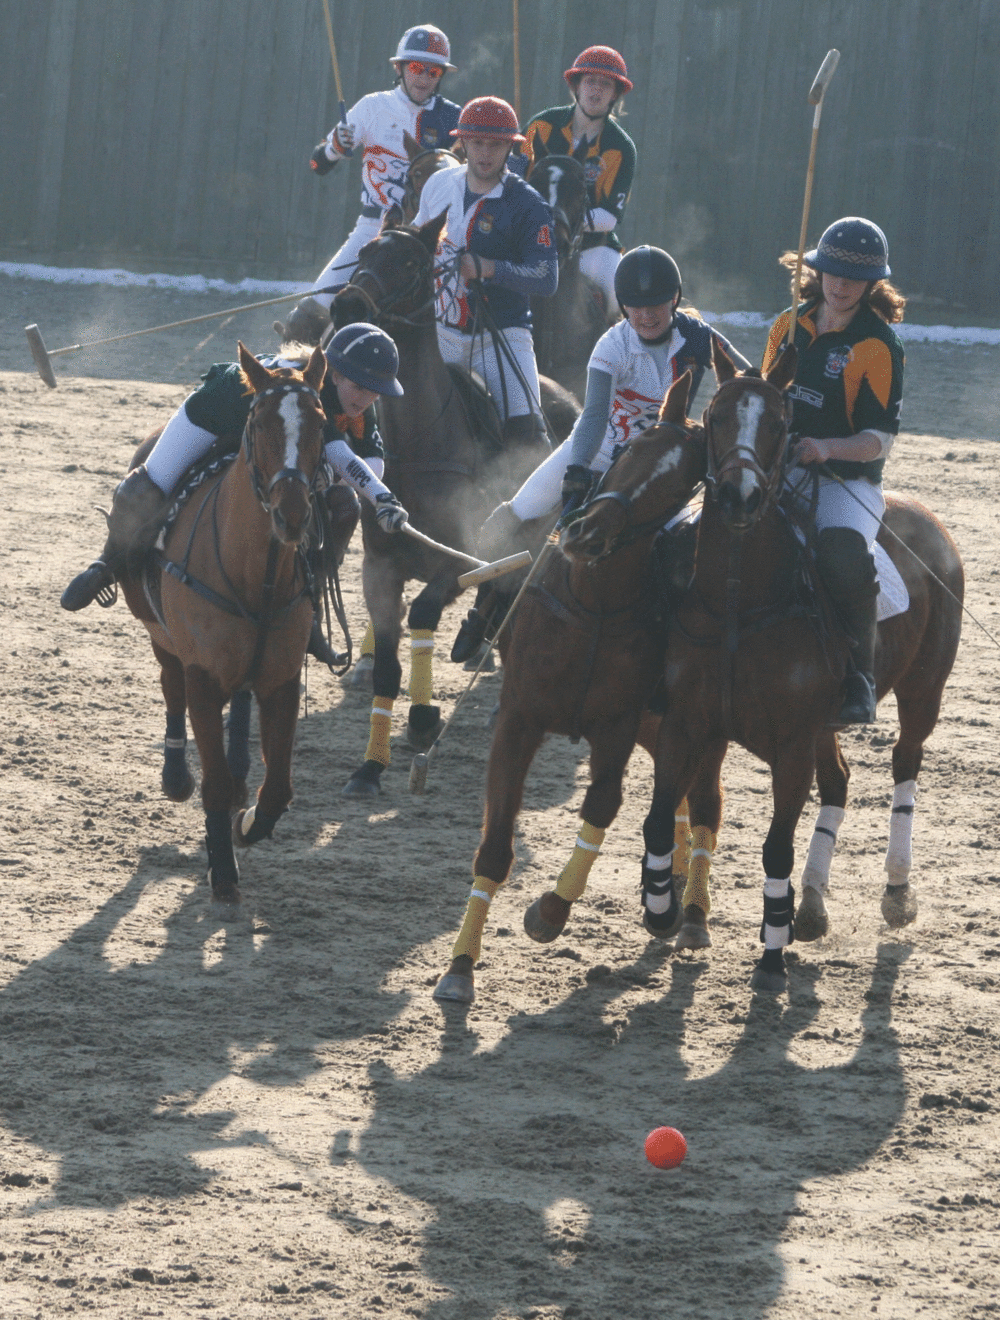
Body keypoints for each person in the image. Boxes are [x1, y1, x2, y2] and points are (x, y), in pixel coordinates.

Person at [450, 245, 750, 659]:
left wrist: (762, 385)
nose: (646, 316)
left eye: (656, 306)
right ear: (623, 306)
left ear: (675, 300)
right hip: (600, 446)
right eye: (635, 307)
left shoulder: (700, 337)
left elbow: (745, 377)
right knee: (514, 516)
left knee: (680, 545)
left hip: (660, 462)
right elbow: (593, 418)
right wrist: (576, 468)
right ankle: (484, 613)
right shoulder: (611, 346)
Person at [61, 324, 411, 665]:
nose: (367, 398)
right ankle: (107, 564)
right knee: (145, 487)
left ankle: (311, 605)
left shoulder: (359, 403)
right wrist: (382, 498)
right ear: (333, 375)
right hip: (217, 413)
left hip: (273, 439)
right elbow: (342, 453)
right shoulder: (304, 387)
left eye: (375, 390)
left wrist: (347, 485)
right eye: (360, 388)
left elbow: (372, 460)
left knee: (345, 507)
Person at [762, 216, 906, 724]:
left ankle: (859, 676)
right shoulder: (787, 325)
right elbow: (765, 399)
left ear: (872, 284)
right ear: (816, 272)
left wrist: (825, 447)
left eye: (853, 278)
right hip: (782, 465)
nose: (840, 286)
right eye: (832, 273)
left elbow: (877, 440)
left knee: (843, 552)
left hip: (849, 480)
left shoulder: (878, 345)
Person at [278, 24, 462, 344]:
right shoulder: (372, 107)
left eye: (433, 71)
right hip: (373, 228)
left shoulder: (454, 119)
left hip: (428, 237)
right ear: (399, 67)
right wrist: (335, 146)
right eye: (416, 68)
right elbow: (317, 165)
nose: (423, 77)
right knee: (310, 316)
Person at [411, 95, 558, 448]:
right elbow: (416, 246)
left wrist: (489, 268)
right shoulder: (437, 185)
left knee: (529, 439)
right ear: (462, 142)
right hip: (439, 332)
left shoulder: (528, 205)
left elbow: (547, 277)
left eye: (496, 144)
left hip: (502, 335)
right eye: (476, 142)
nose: (485, 153)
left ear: (510, 147)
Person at [511, 46, 636, 317]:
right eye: (590, 80)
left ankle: (610, 350)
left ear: (615, 94)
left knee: (615, 290)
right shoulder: (541, 126)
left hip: (592, 249)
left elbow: (610, 216)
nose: (596, 90)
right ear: (576, 86)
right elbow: (511, 182)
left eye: (605, 84)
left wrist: (563, 223)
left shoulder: (622, 148)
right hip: (531, 237)